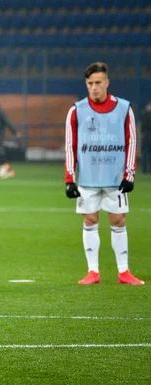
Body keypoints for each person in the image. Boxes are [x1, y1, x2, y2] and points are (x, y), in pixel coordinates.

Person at [64, 62, 143, 285]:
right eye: (90, 83)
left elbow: (131, 141)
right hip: (88, 179)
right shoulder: (76, 110)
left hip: (115, 178)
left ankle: (124, 272)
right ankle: (93, 272)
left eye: (98, 83)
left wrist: (130, 175)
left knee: (118, 221)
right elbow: (70, 146)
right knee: (89, 220)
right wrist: (70, 178)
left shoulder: (124, 108)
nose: (94, 87)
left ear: (107, 83)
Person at [140, 100, 151, 173]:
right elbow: (144, 126)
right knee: (145, 153)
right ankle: (144, 170)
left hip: (147, 136)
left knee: (147, 153)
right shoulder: (145, 114)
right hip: (147, 136)